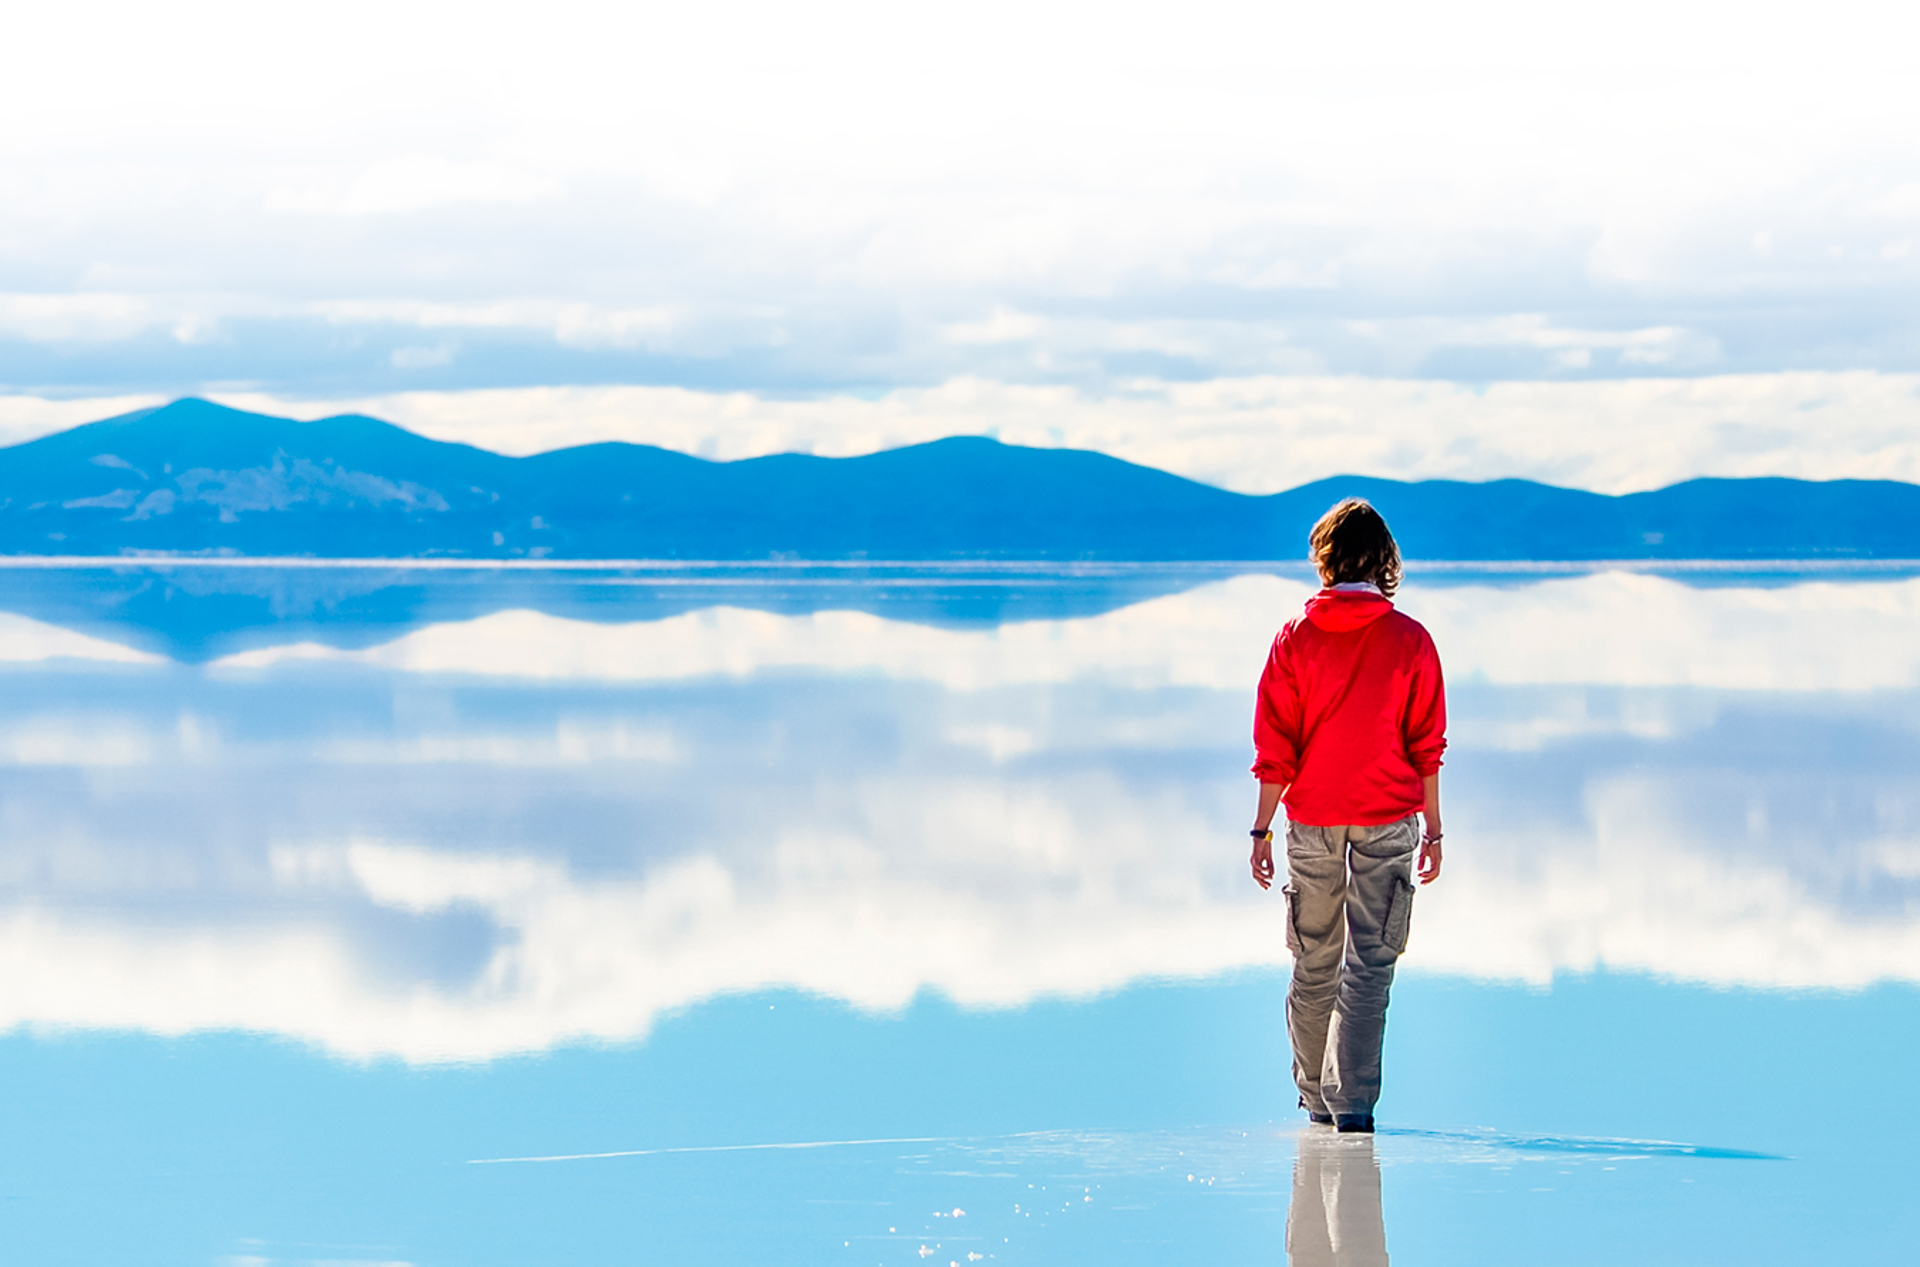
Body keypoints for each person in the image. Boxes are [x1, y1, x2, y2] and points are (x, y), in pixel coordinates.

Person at [1249, 498, 1446, 1135]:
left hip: (1311, 819)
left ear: (1326, 560)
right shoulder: (1411, 639)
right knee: (1370, 966)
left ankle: (1315, 1100)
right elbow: (1427, 745)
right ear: (1383, 559)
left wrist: (1261, 830)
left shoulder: (1294, 637)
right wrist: (1435, 829)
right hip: (1388, 819)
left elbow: (1274, 746)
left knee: (1313, 962)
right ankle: (1353, 1110)